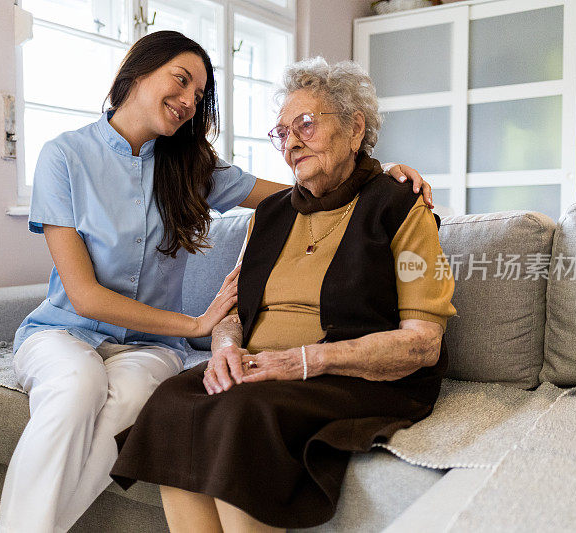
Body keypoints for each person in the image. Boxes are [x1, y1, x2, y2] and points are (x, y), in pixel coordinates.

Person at [0, 32, 431, 532]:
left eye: (199, 96)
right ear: (136, 72)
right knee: (78, 386)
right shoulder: (64, 156)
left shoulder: (192, 167)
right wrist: (198, 323)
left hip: (149, 347)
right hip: (65, 331)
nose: (188, 102)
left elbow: (310, 187)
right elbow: (84, 295)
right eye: (181, 81)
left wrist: (382, 174)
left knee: (149, 406)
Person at [110, 56, 456, 532]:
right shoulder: (269, 215)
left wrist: (304, 361)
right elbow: (233, 309)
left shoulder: (399, 207)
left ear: (355, 129)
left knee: (241, 412)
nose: (292, 141)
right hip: (263, 368)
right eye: (282, 132)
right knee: (173, 402)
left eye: (307, 125)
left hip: (351, 377)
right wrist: (226, 348)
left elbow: (422, 343)